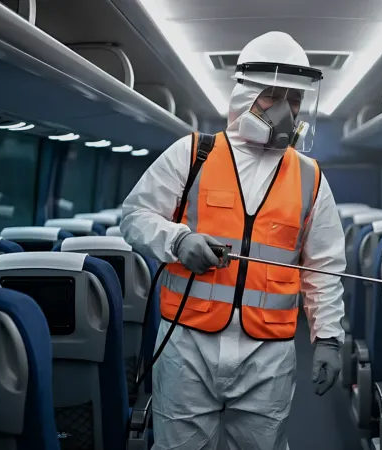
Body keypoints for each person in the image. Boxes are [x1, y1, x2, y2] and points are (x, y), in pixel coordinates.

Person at [120, 31, 346, 450]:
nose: (285, 111)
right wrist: (177, 240)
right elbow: (134, 216)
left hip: (269, 353)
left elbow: (324, 267)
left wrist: (329, 337)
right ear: (245, 94)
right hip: (188, 341)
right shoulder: (193, 154)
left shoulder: (311, 177)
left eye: (293, 100)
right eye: (271, 96)